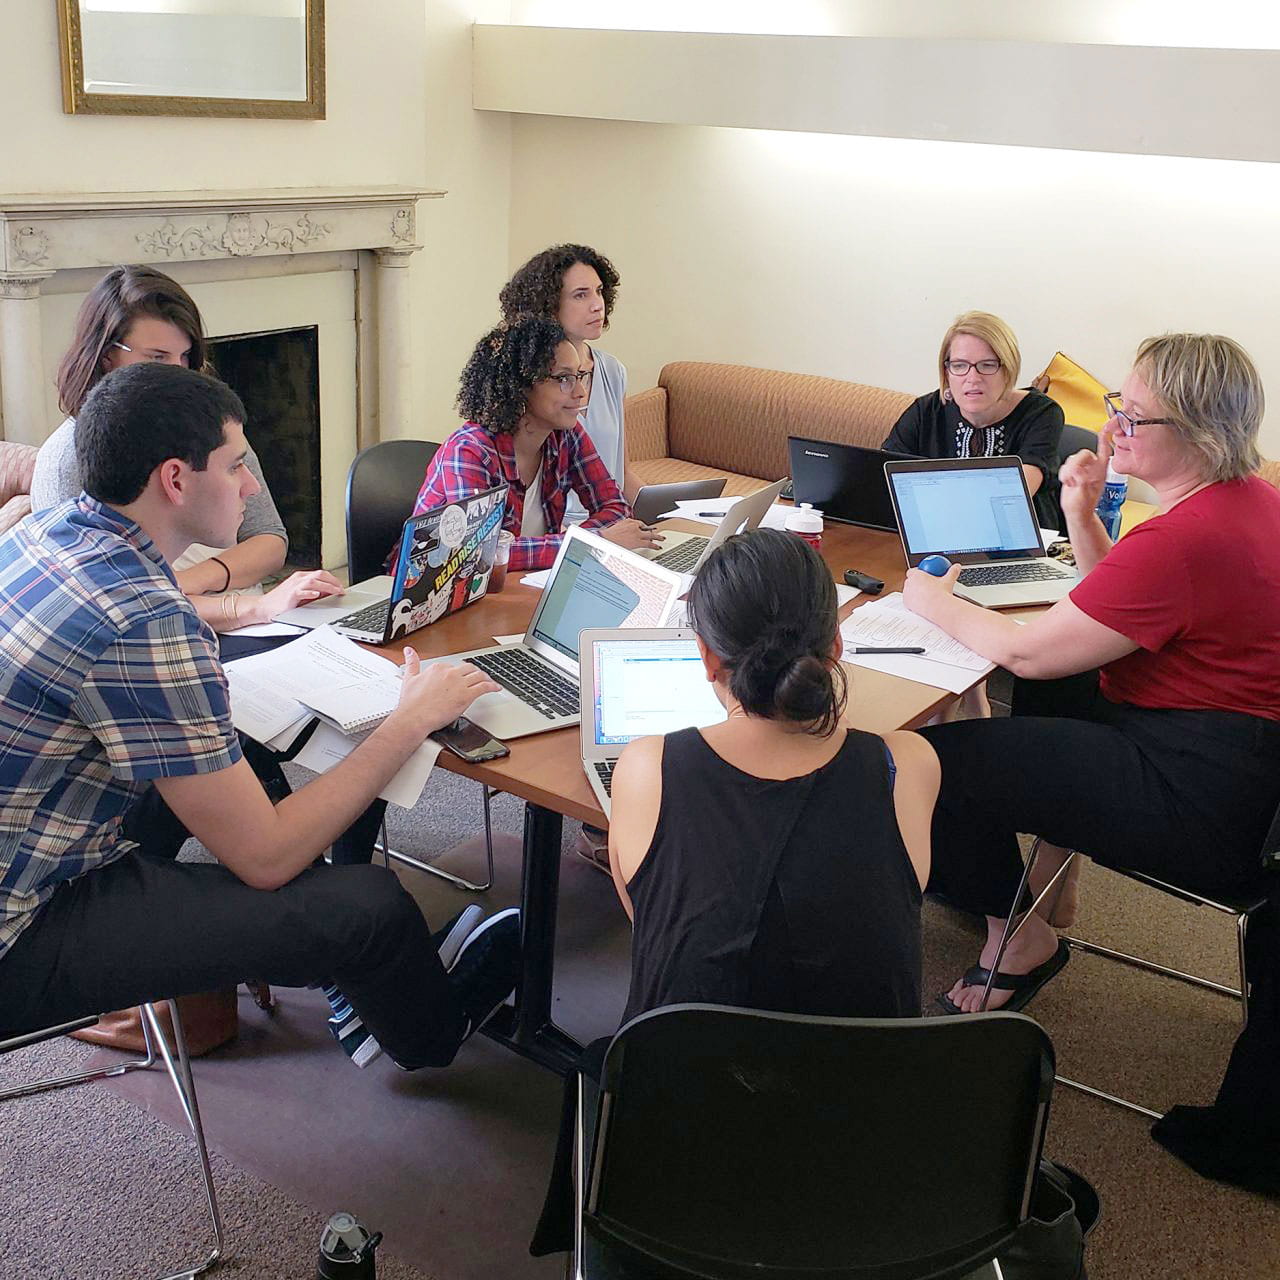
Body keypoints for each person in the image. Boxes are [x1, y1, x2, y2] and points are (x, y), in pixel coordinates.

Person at [0, 361, 521, 1073]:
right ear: (175, 480)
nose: (250, 486)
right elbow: (267, 859)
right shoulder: (144, 616)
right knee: (368, 905)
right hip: (23, 929)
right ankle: (435, 1032)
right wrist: (408, 720)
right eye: (237, 466)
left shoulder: (50, 532)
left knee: (251, 756)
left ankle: (339, 959)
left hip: (38, 829)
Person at [902, 333, 1280, 1191]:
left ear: (1193, 430)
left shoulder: (1187, 536)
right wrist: (1082, 512)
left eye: (1131, 412)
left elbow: (1031, 652)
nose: (1110, 425)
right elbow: (1123, 613)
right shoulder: (1249, 501)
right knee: (1056, 697)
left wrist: (931, 597)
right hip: (1243, 768)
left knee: (927, 759)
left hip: (1198, 796)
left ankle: (1022, 930)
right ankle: (1050, 877)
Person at [530, 528, 939, 1256]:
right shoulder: (907, 764)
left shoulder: (647, 765)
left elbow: (651, 918)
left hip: (677, 1150)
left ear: (706, 659)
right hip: (864, 1155)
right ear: (836, 647)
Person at [31, 265, 338, 632]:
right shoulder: (69, 457)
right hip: (165, 632)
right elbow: (95, 607)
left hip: (241, 614)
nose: (179, 374)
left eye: (186, 357)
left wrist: (192, 581)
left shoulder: (211, 425)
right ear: (105, 355)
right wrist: (250, 607)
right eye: (157, 358)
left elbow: (270, 538)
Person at [408, 314, 658, 572]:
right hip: (429, 599)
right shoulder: (469, 451)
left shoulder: (567, 434)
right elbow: (481, 553)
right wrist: (593, 543)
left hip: (522, 584)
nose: (581, 392)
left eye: (580, 376)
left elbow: (614, 506)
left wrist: (584, 544)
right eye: (564, 379)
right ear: (520, 386)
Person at [883, 310, 1066, 531]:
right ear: (947, 371)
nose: (972, 378)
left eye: (987, 365)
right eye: (959, 365)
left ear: (1008, 370)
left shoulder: (1041, 413)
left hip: (1021, 543)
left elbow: (1015, 494)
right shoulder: (926, 411)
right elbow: (886, 480)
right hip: (935, 535)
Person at [499, 243, 635, 519]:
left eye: (599, 292)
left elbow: (621, 474)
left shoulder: (613, 370)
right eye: (581, 295)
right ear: (548, 305)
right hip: (551, 530)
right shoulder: (526, 378)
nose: (598, 305)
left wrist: (668, 513)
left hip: (603, 522)